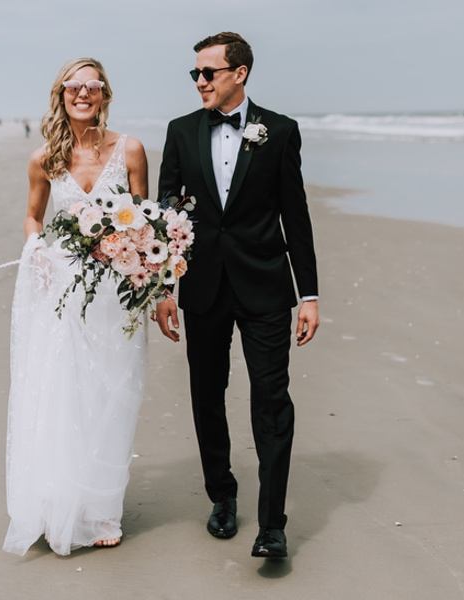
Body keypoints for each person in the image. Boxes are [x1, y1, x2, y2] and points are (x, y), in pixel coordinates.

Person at [155, 32, 320, 559]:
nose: (199, 82)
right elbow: (165, 216)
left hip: (266, 287)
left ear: (239, 73)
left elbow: (296, 216)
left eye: (209, 72)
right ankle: (221, 497)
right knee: (207, 395)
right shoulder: (180, 133)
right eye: (195, 74)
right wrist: (162, 287)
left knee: (272, 401)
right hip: (201, 288)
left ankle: (272, 524)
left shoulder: (280, 131)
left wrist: (309, 294)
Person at [4, 57, 149, 556]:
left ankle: (102, 508)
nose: (83, 93)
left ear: (105, 94)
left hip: (116, 293)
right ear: (61, 94)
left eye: (93, 85)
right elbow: (31, 216)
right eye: (74, 86)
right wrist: (37, 250)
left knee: (113, 393)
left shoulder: (130, 150)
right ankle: (58, 502)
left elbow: (143, 221)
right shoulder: (43, 158)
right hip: (62, 292)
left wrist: (149, 279)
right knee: (64, 391)